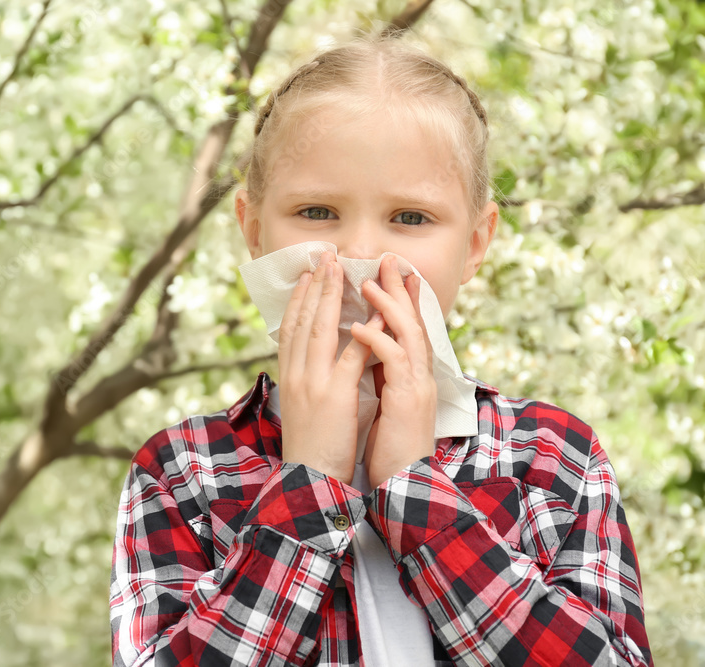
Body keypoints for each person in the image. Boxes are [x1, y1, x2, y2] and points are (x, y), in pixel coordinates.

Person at [109, 35, 652, 666]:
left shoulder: (553, 459)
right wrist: (308, 483)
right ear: (254, 230)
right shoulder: (182, 471)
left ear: (475, 244)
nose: (359, 253)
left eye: (411, 218)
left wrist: (415, 493)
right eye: (317, 211)